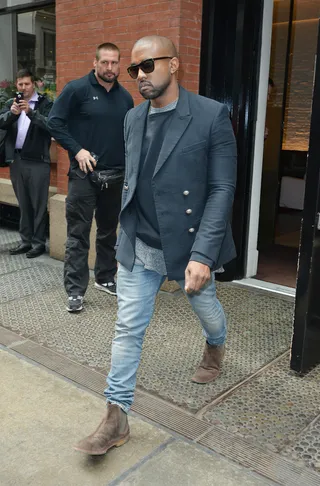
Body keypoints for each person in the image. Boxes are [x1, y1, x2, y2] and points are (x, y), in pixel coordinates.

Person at [74, 35, 237, 455]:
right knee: (128, 327)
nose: (140, 76)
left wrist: (203, 254)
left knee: (209, 310)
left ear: (175, 64)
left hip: (187, 245)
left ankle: (216, 345)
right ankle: (116, 415)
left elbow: (221, 187)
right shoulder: (133, 117)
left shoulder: (210, 115)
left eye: (148, 66)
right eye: (134, 70)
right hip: (140, 241)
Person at [47, 43, 134, 313]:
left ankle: (105, 278)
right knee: (78, 235)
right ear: (95, 63)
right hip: (84, 175)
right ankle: (75, 291)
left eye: (115, 63)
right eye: (105, 62)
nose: (110, 68)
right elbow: (54, 123)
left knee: (109, 232)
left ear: (120, 64)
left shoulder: (125, 98)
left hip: (116, 176)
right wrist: (78, 150)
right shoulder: (76, 89)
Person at [0, 69, 53, 258]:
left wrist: (31, 113)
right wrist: (12, 114)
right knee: (23, 204)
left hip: (38, 161)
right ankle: (25, 241)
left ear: (35, 84)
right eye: (20, 84)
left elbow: (51, 126)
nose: (23, 88)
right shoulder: (10, 103)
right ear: (17, 85)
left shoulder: (45, 103)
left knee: (38, 205)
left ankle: (38, 244)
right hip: (17, 160)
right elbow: (1, 122)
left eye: (27, 84)